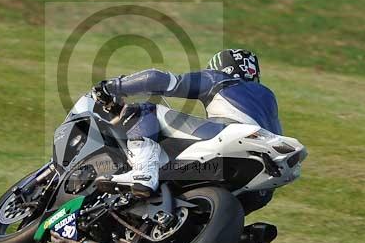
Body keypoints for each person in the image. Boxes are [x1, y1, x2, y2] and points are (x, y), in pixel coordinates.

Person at [93, 49, 282, 206]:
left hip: (230, 136)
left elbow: (157, 79)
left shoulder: (220, 78)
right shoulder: (268, 97)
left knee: (143, 109)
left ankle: (143, 172)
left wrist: (110, 87)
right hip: (261, 188)